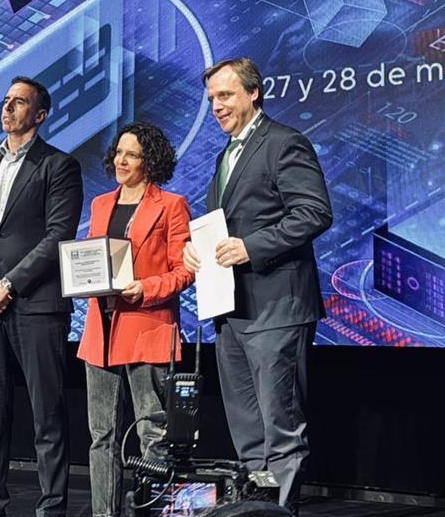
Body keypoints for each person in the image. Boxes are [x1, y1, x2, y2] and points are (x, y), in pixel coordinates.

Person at [182, 58, 332, 515]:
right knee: (248, 430)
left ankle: (281, 511)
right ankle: (257, 509)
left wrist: (251, 247)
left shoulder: (284, 143)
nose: (216, 106)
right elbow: (225, 226)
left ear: (253, 93)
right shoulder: (225, 155)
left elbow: (314, 212)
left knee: (280, 428)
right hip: (232, 310)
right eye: (212, 98)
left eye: (225, 95)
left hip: (276, 308)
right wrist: (194, 251)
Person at [0, 76, 84, 517]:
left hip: (37, 307)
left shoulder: (59, 166)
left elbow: (57, 237)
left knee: (48, 416)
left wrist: (7, 285)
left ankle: (51, 508)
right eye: (6, 100)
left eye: (19, 102)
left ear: (40, 114)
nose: (8, 107)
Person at [77, 122, 194, 517]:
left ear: (150, 161)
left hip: (147, 327)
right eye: (118, 152)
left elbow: (184, 271)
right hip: (101, 332)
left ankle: (152, 512)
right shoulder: (100, 204)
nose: (121, 161)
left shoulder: (172, 205)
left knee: (152, 433)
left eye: (132, 154)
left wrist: (145, 288)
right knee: (102, 437)